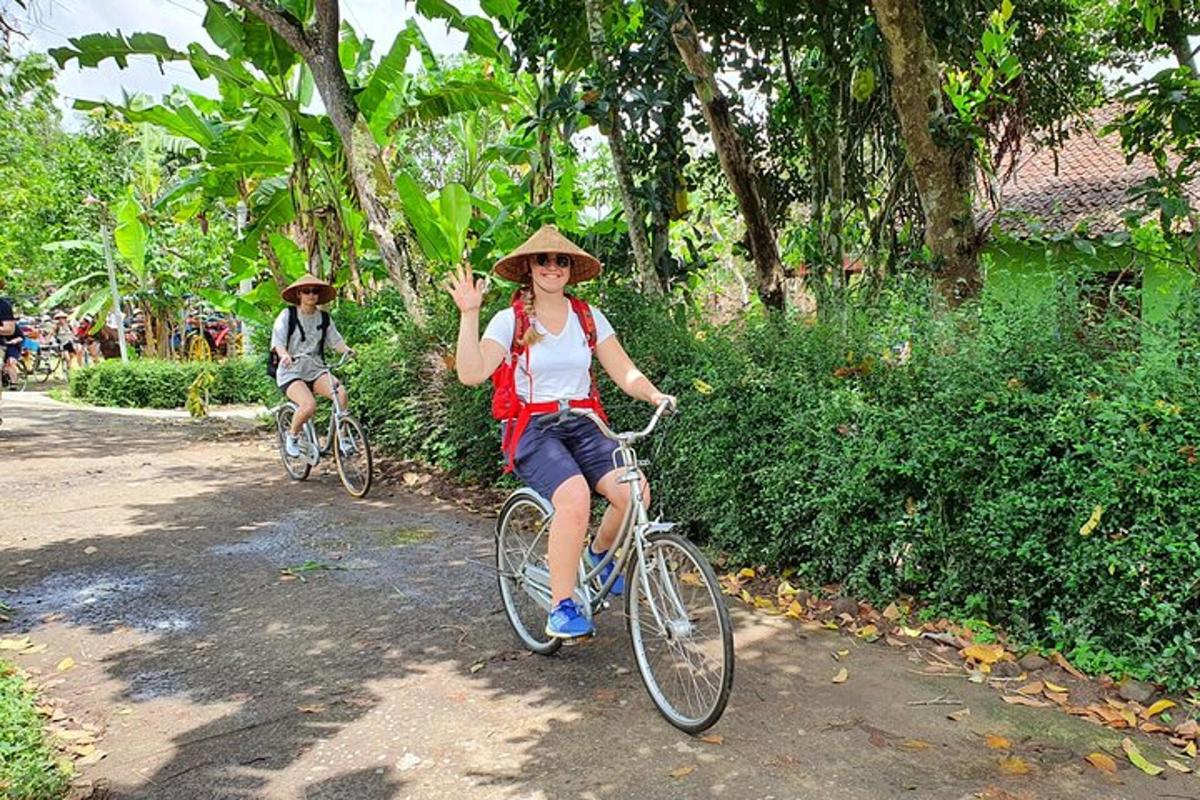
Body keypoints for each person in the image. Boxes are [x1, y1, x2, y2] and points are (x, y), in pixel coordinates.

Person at [446, 225, 675, 642]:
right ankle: (562, 605)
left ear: (571, 270)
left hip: (586, 423)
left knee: (635, 490)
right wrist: (469, 314)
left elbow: (623, 370)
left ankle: (599, 556)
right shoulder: (509, 319)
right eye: (543, 260)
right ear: (529, 269)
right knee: (574, 497)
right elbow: (471, 373)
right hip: (534, 428)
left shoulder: (588, 316)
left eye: (561, 260)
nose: (552, 267)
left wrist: (654, 394)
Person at [271, 274, 354, 458]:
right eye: (306, 291)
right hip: (291, 370)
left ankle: (343, 437)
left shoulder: (324, 318)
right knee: (308, 405)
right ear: (299, 294)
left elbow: (336, 342)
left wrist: (348, 351)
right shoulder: (288, 315)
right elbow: (278, 342)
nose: (311, 295)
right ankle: (292, 436)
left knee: (340, 393)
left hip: (315, 368)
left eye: (315, 291)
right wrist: (284, 355)